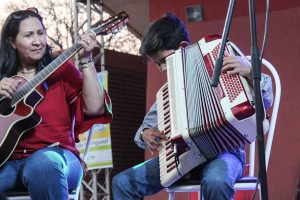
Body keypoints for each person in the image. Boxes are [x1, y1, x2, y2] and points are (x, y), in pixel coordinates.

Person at [112, 13, 273, 200]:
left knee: (216, 181)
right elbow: (142, 131)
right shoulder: (169, 93)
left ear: (183, 47)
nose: (163, 68)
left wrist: (251, 72)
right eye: (157, 64)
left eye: (165, 60)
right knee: (122, 182)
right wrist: (145, 133)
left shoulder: (223, 65)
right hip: (182, 160)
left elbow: (267, 98)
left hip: (226, 155)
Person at [0, 8, 112, 199]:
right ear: (12, 42)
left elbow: (95, 108)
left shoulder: (61, 70)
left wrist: (86, 59)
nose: (38, 41)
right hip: (7, 163)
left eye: (41, 33)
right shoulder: (3, 76)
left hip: (57, 156)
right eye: (29, 35)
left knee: (44, 164)